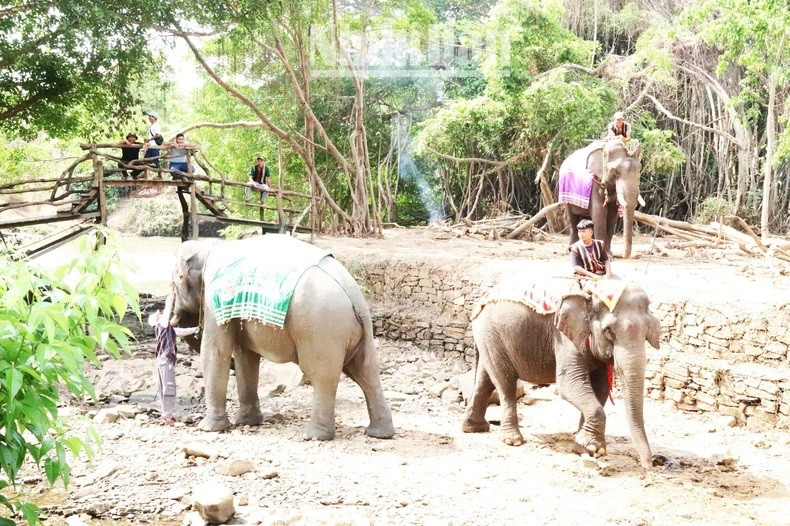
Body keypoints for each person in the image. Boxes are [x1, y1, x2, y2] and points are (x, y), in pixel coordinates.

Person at [147, 289, 200, 426]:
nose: (161, 316)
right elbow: (167, 310)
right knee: (169, 387)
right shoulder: (162, 325)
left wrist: (196, 329)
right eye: (159, 316)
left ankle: (165, 413)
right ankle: (169, 416)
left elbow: (181, 332)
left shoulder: (166, 329)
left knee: (163, 388)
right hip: (166, 360)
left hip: (161, 361)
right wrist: (171, 296)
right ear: (157, 320)